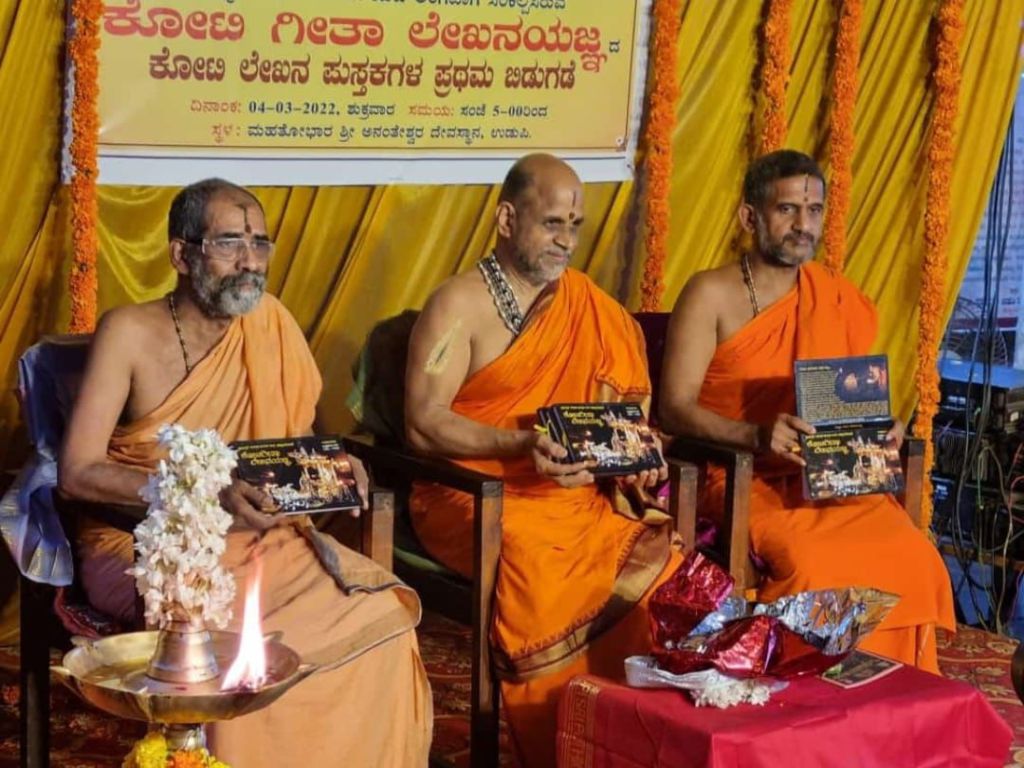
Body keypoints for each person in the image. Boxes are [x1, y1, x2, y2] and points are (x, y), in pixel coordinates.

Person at [58, 178, 432, 768]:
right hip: (153, 548)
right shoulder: (128, 333)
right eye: (230, 242)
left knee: (382, 620)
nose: (251, 261)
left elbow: (293, 442)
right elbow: (78, 472)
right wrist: (202, 497)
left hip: (264, 539)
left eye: (260, 244)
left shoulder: (270, 324)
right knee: (240, 655)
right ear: (182, 255)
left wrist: (336, 466)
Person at [405, 153, 681, 768]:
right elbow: (423, 423)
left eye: (574, 226)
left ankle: (628, 743)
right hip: (470, 492)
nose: (566, 241)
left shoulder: (590, 309)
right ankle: (561, 746)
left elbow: (614, 420)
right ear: (507, 219)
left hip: (570, 494)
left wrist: (632, 457)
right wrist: (518, 446)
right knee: (541, 568)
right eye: (552, 223)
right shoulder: (458, 305)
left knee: (664, 567)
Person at [658, 149, 955, 671]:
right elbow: (673, 409)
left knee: (913, 555)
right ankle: (810, 697)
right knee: (816, 565)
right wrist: (756, 435)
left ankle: (892, 695)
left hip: (826, 479)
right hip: (742, 475)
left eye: (814, 210)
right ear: (750, 217)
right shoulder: (710, 293)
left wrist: (881, 427)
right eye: (787, 209)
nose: (803, 224)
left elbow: (844, 401)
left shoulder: (834, 297)